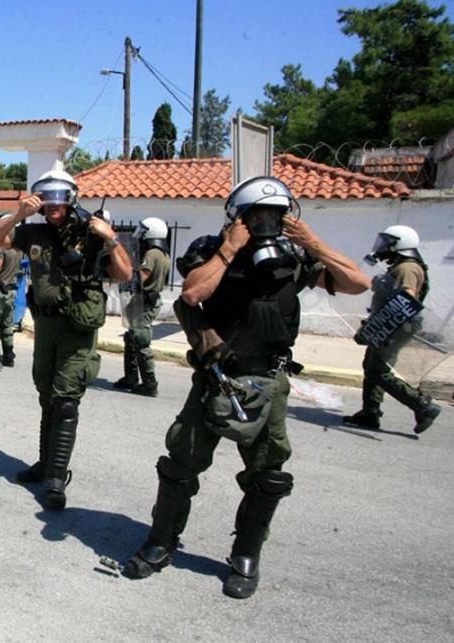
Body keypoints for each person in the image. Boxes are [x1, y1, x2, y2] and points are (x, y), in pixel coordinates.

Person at [121, 176, 370, 599]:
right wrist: (230, 248)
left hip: (269, 378)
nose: (265, 223)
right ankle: (161, 542)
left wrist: (312, 243)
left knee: (268, 473)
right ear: (238, 218)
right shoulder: (212, 251)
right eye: (257, 216)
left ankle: (246, 555)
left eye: (275, 216)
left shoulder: (293, 258)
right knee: (181, 463)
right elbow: (193, 293)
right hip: (217, 375)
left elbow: (357, 283)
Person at [0, 169, 133, 510]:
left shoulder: (90, 231)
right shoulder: (33, 231)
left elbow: (124, 273)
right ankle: (45, 463)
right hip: (46, 325)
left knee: (66, 400)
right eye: (45, 198)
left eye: (58, 198)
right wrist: (18, 214)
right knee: (47, 395)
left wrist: (111, 238)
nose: (52, 205)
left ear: (70, 199)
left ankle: (56, 476)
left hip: (77, 326)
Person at [343, 225, 441, 434]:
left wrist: (379, 326)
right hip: (389, 325)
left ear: (399, 244)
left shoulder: (407, 268)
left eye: (387, 243)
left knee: (378, 370)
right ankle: (370, 413)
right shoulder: (401, 266)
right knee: (371, 366)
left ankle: (422, 406)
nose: (382, 247)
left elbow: (406, 300)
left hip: (395, 327)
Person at [113, 217, 171, 396]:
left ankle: (149, 382)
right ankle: (130, 377)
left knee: (141, 342)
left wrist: (124, 273)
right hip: (144, 301)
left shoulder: (152, 254)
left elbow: (141, 277)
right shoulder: (163, 253)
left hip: (145, 302)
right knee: (132, 339)